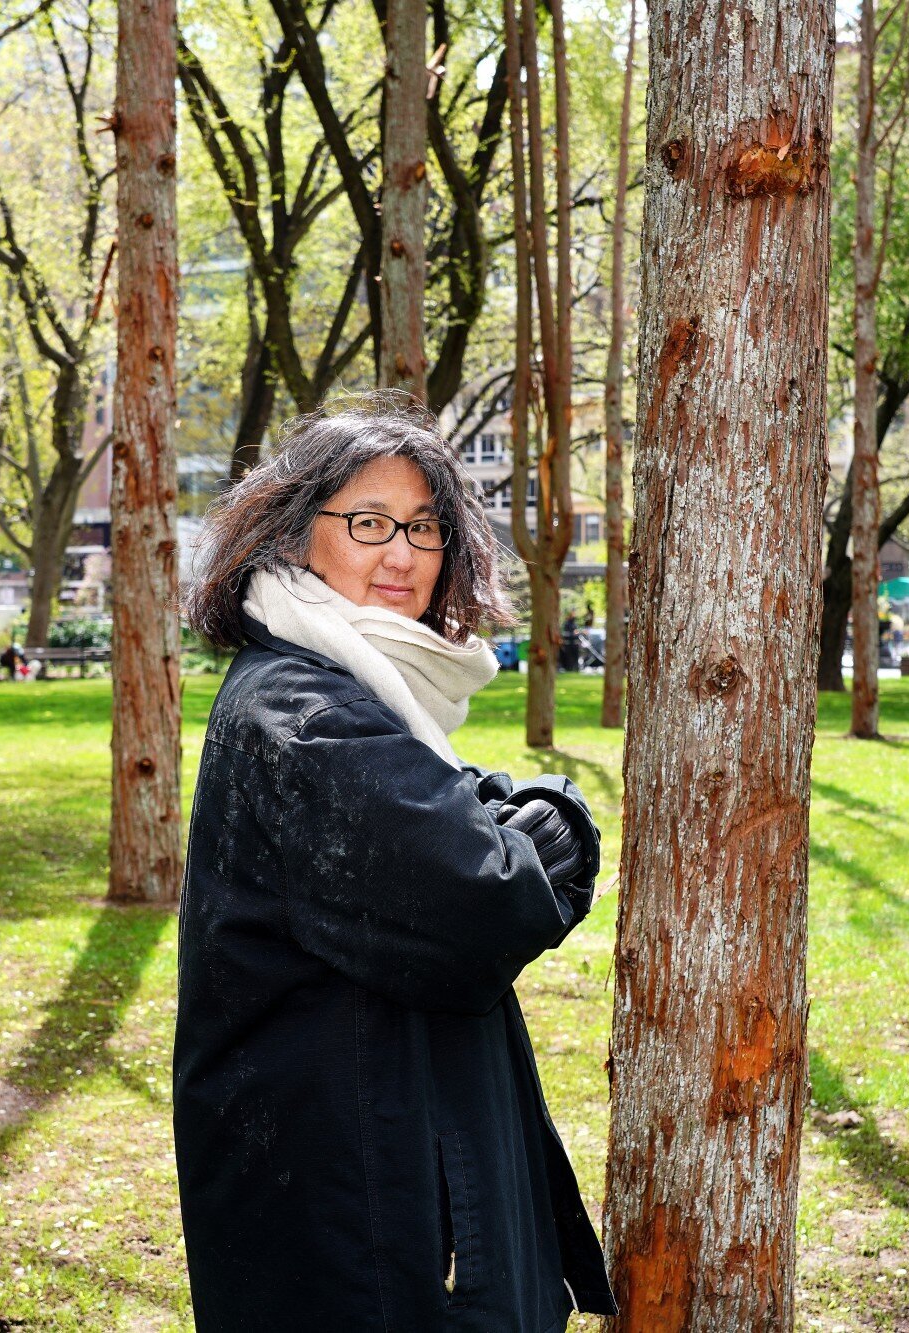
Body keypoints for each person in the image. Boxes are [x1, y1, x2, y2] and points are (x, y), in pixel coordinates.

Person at [174, 397, 615, 1332]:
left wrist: (492, 821)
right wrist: (560, 818)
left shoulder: (341, 690)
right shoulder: (305, 715)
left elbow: (448, 833)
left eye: (424, 526)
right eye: (369, 523)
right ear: (295, 537)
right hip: (362, 1213)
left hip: (371, 1185)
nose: (403, 553)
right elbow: (483, 900)